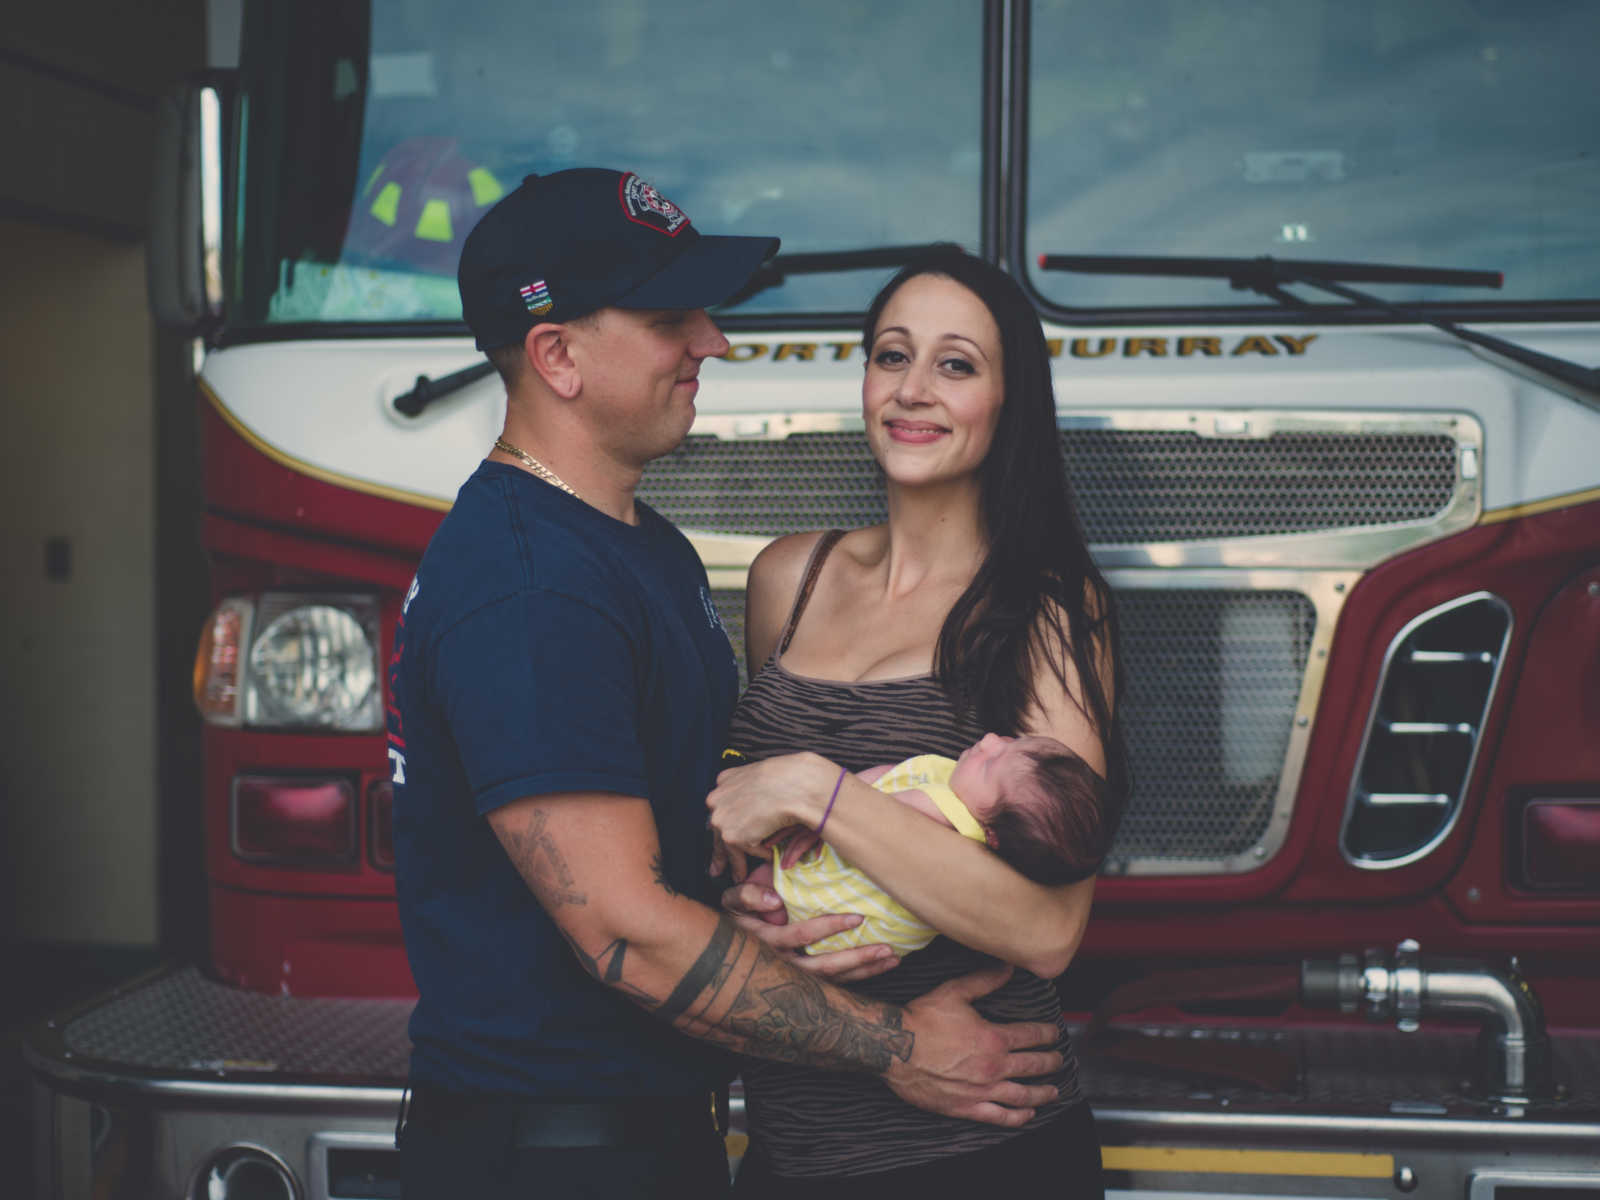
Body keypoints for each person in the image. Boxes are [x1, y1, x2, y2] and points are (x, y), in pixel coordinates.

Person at [387, 175, 1068, 1199]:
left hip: (649, 1132)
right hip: (550, 1154)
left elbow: (681, 827)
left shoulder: (633, 548)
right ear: (556, 355)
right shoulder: (531, 587)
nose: (714, 342)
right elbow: (624, 931)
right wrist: (897, 1046)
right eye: (670, 320)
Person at [707, 244, 1128, 1197]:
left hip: (980, 1158)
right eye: (892, 355)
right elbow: (750, 811)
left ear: (1008, 401)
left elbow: (1049, 929)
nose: (913, 390)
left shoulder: (1049, 611)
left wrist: (820, 792)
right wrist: (750, 894)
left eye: (957, 364)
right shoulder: (789, 577)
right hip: (788, 1147)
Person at [758, 732, 1113, 958]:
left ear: (992, 835)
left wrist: (821, 808)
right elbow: (887, 776)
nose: (989, 740)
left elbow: (876, 806)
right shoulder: (959, 791)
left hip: (830, 903)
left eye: (989, 766)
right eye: (1010, 739)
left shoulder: (951, 818)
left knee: (766, 891)